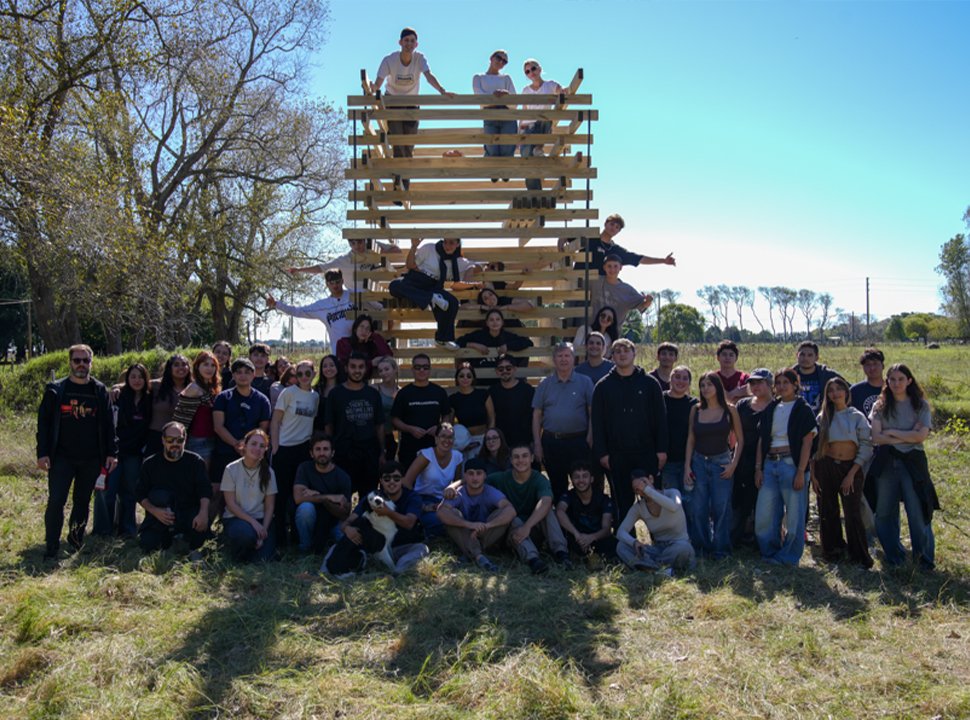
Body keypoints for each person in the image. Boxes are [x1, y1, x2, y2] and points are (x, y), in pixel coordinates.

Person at [36, 344, 118, 558]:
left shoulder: (99, 390)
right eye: (77, 360)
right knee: (56, 501)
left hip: (91, 457)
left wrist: (111, 452)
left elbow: (109, 425)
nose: (81, 365)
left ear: (91, 363)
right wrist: (42, 453)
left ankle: (75, 542)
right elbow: (43, 424)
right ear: (70, 362)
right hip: (61, 457)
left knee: (82, 502)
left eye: (85, 361)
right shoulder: (56, 390)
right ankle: (51, 546)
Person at [591, 338, 668, 524]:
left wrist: (662, 450)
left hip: (647, 452)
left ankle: (660, 541)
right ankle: (626, 545)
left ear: (634, 354)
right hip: (617, 455)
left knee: (652, 499)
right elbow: (597, 423)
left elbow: (661, 419)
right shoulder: (603, 386)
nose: (622, 354)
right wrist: (602, 453)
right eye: (617, 351)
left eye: (626, 351)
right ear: (612, 356)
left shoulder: (650, 384)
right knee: (622, 503)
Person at [868, 364, 937, 570]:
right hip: (887, 461)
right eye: (892, 379)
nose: (896, 383)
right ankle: (894, 555)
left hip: (913, 462)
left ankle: (923, 559)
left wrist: (891, 432)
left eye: (900, 379)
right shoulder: (879, 406)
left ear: (909, 381)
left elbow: (920, 436)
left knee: (917, 510)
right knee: (884, 511)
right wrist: (906, 434)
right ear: (887, 382)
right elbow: (876, 438)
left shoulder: (920, 406)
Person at [371, 27, 453, 191]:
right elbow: (378, 83)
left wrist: (442, 90)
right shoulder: (390, 60)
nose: (409, 44)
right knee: (398, 141)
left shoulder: (419, 58)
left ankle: (402, 183)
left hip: (412, 104)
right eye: (406, 40)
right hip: (392, 102)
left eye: (412, 41)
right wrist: (371, 89)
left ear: (416, 44)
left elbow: (429, 76)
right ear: (400, 42)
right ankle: (399, 184)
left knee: (409, 145)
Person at [754, 368, 817, 566]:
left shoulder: (803, 408)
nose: (781, 387)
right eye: (778, 383)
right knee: (765, 513)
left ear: (795, 385)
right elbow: (762, 439)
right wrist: (758, 468)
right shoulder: (771, 408)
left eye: (786, 383)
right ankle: (770, 552)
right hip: (770, 464)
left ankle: (789, 557)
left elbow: (808, 441)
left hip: (791, 464)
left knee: (795, 516)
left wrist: (801, 471)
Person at [323, 461, 429, 576]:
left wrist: (388, 512)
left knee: (422, 549)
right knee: (336, 546)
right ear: (381, 482)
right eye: (387, 479)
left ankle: (397, 572)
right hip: (372, 549)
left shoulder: (412, 497)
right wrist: (347, 528)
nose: (392, 482)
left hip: (401, 546)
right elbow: (348, 521)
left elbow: (409, 523)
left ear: (402, 480)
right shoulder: (372, 498)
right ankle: (322, 574)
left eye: (396, 478)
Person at [811, 377, 874, 568]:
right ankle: (833, 551)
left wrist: (852, 473)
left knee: (852, 512)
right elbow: (815, 448)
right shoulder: (823, 417)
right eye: (831, 390)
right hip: (826, 466)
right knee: (827, 509)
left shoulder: (856, 416)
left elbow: (866, 445)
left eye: (839, 389)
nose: (835, 393)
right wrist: (814, 475)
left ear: (846, 392)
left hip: (850, 467)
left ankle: (859, 555)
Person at [683, 372, 743, 559]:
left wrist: (733, 464)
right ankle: (701, 548)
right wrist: (687, 466)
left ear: (717, 386)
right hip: (699, 462)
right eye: (702, 385)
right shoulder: (696, 409)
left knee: (721, 508)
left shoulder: (730, 410)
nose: (706, 388)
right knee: (698, 508)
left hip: (721, 463)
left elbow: (740, 440)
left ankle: (721, 550)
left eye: (710, 384)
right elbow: (691, 439)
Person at [487, 443, 571, 573]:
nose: (520, 460)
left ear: (532, 458)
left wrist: (527, 527)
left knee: (547, 510)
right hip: (514, 535)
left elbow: (546, 501)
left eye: (525, 456)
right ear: (510, 460)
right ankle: (533, 560)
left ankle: (561, 553)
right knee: (514, 519)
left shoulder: (539, 479)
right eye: (516, 457)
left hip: (533, 529)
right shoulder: (501, 478)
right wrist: (453, 487)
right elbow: (475, 480)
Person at [389, 237, 481, 349]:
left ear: (457, 244)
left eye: (451, 242)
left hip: (433, 285)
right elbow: (410, 265)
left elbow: (477, 266)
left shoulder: (457, 261)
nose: (447, 246)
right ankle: (430, 298)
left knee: (452, 302)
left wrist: (473, 278)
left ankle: (443, 339)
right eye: (445, 242)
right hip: (416, 279)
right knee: (394, 285)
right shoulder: (430, 248)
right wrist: (414, 246)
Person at [135, 421, 209, 557]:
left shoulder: (195, 462)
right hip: (160, 516)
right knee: (147, 544)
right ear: (163, 440)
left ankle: (185, 543)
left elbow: (205, 490)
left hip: (188, 514)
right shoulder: (150, 464)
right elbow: (140, 494)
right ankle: (171, 543)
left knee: (200, 534)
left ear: (185, 440)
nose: (175, 444)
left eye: (179, 440)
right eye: (170, 440)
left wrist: (203, 513)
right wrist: (155, 511)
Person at [95, 363, 151, 539]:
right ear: (127, 379)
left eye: (140, 377)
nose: (137, 380)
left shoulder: (149, 399)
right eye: (133, 376)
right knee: (106, 491)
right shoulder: (117, 397)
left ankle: (127, 529)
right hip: (114, 453)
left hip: (135, 454)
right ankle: (103, 530)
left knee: (129, 493)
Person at [532, 342, 594, 498]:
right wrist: (537, 444)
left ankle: (580, 518)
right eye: (560, 356)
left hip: (578, 441)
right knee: (557, 484)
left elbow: (592, 412)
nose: (563, 359)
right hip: (552, 442)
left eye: (567, 355)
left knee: (581, 483)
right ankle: (560, 519)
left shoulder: (585, 382)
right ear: (554, 359)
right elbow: (536, 416)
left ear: (574, 359)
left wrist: (590, 436)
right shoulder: (544, 384)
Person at [270, 359, 319, 546]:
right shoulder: (288, 393)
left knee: (299, 495)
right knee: (280, 496)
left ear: (314, 374)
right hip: (284, 448)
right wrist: (275, 447)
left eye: (308, 373)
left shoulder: (315, 397)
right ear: (295, 376)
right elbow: (275, 421)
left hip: (303, 450)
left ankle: (299, 537)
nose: (304, 377)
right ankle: (280, 539)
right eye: (300, 374)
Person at [438, 458, 517, 571]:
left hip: (485, 535)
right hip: (465, 533)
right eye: (471, 474)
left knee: (502, 513)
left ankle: (471, 554)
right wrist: (468, 525)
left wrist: (487, 525)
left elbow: (511, 510)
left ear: (485, 475)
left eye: (479, 473)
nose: (475, 478)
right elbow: (441, 511)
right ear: (465, 476)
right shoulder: (459, 492)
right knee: (452, 514)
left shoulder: (490, 491)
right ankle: (479, 556)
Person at [324, 353, 385, 498]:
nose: (357, 371)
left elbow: (379, 425)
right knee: (343, 497)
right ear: (346, 368)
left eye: (360, 367)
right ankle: (344, 522)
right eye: (353, 367)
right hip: (343, 452)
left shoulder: (373, 394)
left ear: (365, 369)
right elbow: (328, 425)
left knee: (369, 497)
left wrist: (382, 452)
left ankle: (365, 521)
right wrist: (330, 450)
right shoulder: (335, 394)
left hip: (369, 452)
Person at [211, 359, 272, 496]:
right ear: (233, 375)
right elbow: (218, 426)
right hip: (224, 451)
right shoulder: (223, 398)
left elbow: (262, 430)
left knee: (247, 492)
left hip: (251, 454)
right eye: (238, 372)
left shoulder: (262, 400)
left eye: (247, 372)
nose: (243, 376)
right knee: (217, 492)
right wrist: (236, 444)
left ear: (253, 375)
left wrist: (248, 447)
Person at [616, 470, 695, 575]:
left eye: (643, 483)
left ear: (651, 479)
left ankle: (649, 569)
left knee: (684, 549)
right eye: (637, 489)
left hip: (677, 545)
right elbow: (621, 532)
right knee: (621, 546)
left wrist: (648, 490)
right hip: (657, 549)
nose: (642, 489)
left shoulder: (672, 493)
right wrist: (634, 542)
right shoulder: (639, 507)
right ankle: (659, 571)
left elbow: (674, 506)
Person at [221, 429, 277, 562]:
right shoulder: (231, 469)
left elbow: (270, 506)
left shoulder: (269, 472)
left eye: (262, 446)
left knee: (264, 560)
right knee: (246, 534)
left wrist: (263, 530)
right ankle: (237, 550)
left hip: (261, 520)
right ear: (244, 446)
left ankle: (250, 552)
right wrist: (253, 523)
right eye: (253, 444)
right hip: (236, 518)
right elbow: (231, 504)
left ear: (265, 450)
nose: (257, 448)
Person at [732, 368, 773, 549]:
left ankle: (762, 539)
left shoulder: (776, 406)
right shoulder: (743, 405)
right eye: (752, 383)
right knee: (741, 499)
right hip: (742, 457)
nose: (755, 386)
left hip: (769, 458)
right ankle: (740, 536)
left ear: (770, 384)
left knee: (764, 501)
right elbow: (733, 432)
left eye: (760, 382)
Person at [266, 269, 359, 348]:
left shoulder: (355, 295)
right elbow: (298, 311)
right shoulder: (322, 305)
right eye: (331, 283)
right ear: (327, 284)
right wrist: (276, 304)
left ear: (342, 281)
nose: (335, 285)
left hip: (359, 346)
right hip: (340, 352)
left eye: (338, 282)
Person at [560, 213, 677, 275]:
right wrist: (561, 245)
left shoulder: (615, 250)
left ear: (618, 231)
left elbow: (639, 258)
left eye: (617, 227)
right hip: (578, 281)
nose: (613, 228)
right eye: (612, 224)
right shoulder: (590, 238)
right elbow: (565, 236)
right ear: (605, 224)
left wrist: (663, 260)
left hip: (598, 288)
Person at [293, 433, 352, 553]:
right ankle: (306, 547)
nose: (321, 453)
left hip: (333, 521)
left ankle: (327, 543)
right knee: (305, 508)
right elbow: (298, 498)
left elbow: (345, 514)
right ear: (311, 453)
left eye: (325, 449)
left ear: (332, 452)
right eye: (318, 449)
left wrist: (318, 497)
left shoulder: (342, 477)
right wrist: (329, 497)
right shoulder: (304, 468)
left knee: (345, 540)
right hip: (311, 519)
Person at [401, 423, 463, 536]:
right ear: (436, 438)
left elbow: (458, 483)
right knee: (438, 521)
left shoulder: (457, 456)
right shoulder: (426, 455)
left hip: (443, 501)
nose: (446, 440)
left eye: (450, 437)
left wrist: (451, 491)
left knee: (462, 515)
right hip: (423, 499)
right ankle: (421, 530)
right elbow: (406, 482)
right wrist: (421, 506)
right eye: (443, 436)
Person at [391, 353, 449, 469]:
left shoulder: (439, 392)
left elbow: (447, 415)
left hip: (435, 447)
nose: (421, 370)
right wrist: (410, 429)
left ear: (430, 369)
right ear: (412, 369)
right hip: (409, 449)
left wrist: (439, 429)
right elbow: (394, 419)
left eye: (425, 367)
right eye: (418, 367)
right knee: (409, 484)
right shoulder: (403, 393)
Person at [659, 365, 697, 543]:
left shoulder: (694, 405)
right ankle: (671, 540)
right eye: (677, 377)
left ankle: (691, 540)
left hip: (688, 462)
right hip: (665, 462)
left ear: (689, 383)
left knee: (689, 503)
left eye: (685, 378)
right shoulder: (660, 400)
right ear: (670, 379)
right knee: (671, 505)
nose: (680, 381)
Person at [286, 237, 402, 293]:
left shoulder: (374, 247)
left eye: (360, 242)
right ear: (349, 244)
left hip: (379, 293)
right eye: (353, 243)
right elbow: (321, 268)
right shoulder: (345, 260)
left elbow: (397, 252)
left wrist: (381, 255)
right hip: (358, 299)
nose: (357, 246)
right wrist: (300, 270)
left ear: (365, 241)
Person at [555, 461, 617, 564]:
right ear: (572, 480)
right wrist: (577, 535)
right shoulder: (568, 496)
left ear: (591, 479)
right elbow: (559, 511)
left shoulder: (603, 499)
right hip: (576, 539)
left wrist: (591, 538)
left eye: (585, 476)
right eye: (577, 477)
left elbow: (606, 529)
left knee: (614, 544)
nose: (581, 480)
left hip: (597, 538)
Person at [172, 350, 221, 468]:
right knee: (200, 478)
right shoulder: (194, 388)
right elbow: (179, 419)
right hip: (198, 441)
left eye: (212, 365)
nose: (209, 368)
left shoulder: (211, 388)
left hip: (213, 439)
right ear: (197, 366)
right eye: (205, 364)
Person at [519, 58, 562, 193]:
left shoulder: (549, 85)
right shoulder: (526, 90)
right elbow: (524, 111)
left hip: (543, 123)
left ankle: (538, 147)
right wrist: (519, 133)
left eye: (533, 69)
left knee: (545, 118)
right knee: (528, 159)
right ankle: (535, 193)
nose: (531, 73)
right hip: (529, 127)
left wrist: (565, 91)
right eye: (527, 71)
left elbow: (562, 91)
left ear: (539, 69)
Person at [456, 308, 533, 377]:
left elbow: (528, 343)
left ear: (502, 322)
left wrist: (508, 346)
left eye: (498, 319)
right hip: (481, 378)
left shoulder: (507, 336)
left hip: (502, 378)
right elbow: (458, 342)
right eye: (491, 320)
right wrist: (474, 345)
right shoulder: (478, 335)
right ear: (487, 323)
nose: (495, 322)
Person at [588, 256, 652, 334]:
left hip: (613, 333)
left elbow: (643, 305)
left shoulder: (627, 290)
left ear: (620, 267)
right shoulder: (595, 281)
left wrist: (648, 300)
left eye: (615, 266)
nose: (612, 269)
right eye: (609, 266)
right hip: (593, 330)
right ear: (604, 267)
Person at [144, 354, 191, 457]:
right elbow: (136, 383)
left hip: (181, 440)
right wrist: (117, 387)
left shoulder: (193, 388)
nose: (181, 368)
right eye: (176, 365)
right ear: (169, 368)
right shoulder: (157, 385)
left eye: (184, 364)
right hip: (156, 438)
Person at [473, 50, 516, 159]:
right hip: (489, 115)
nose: (501, 62)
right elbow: (480, 98)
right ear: (491, 58)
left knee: (507, 149)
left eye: (505, 61)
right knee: (491, 149)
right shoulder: (478, 77)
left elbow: (514, 103)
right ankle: (494, 176)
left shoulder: (506, 78)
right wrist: (497, 96)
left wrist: (506, 95)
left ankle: (506, 175)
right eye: (499, 58)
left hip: (507, 115)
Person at [485, 354, 535, 449]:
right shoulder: (492, 391)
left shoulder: (528, 390)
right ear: (497, 372)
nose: (505, 371)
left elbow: (535, 417)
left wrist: (534, 441)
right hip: (501, 444)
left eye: (508, 368)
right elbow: (491, 418)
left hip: (524, 442)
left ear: (515, 369)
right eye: (501, 369)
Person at [448, 363, 489, 459]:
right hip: (464, 442)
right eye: (461, 376)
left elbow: (492, 418)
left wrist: (489, 438)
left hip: (483, 438)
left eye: (469, 376)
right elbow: (449, 424)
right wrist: (459, 444)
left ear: (473, 378)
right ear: (457, 379)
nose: (465, 378)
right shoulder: (453, 399)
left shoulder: (483, 394)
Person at [335, 314, 393, 380]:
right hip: (346, 383)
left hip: (363, 384)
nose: (364, 331)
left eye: (367, 328)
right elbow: (344, 366)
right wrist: (370, 363)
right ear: (355, 329)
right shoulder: (343, 343)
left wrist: (375, 336)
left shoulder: (371, 347)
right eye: (361, 327)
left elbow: (388, 356)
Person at [794, 340, 842, 413]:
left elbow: (849, 390)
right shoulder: (788, 376)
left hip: (823, 420)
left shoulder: (827, 375)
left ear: (816, 357)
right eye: (802, 354)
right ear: (797, 355)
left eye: (810, 355)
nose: (805, 358)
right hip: (797, 420)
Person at [375, 356, 400, 460]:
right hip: (374, 436)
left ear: (395, 369)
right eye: (380, 371)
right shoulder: (375, 389)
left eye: (386, 369)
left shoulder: (400, 392)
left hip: (390, 436)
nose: (383, 373)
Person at [850, 347, 885, 417]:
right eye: (868, 364)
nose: (872, 368)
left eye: (875, 363)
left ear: (883, 365)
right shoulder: (855, 391)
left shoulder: (893, 388)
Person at [313, 354, 343, 432]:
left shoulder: (345, 388)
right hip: (320, 432)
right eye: (325, 366)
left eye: (332, 365)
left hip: (340, 432)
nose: (328, 368)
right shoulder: (317, 389)